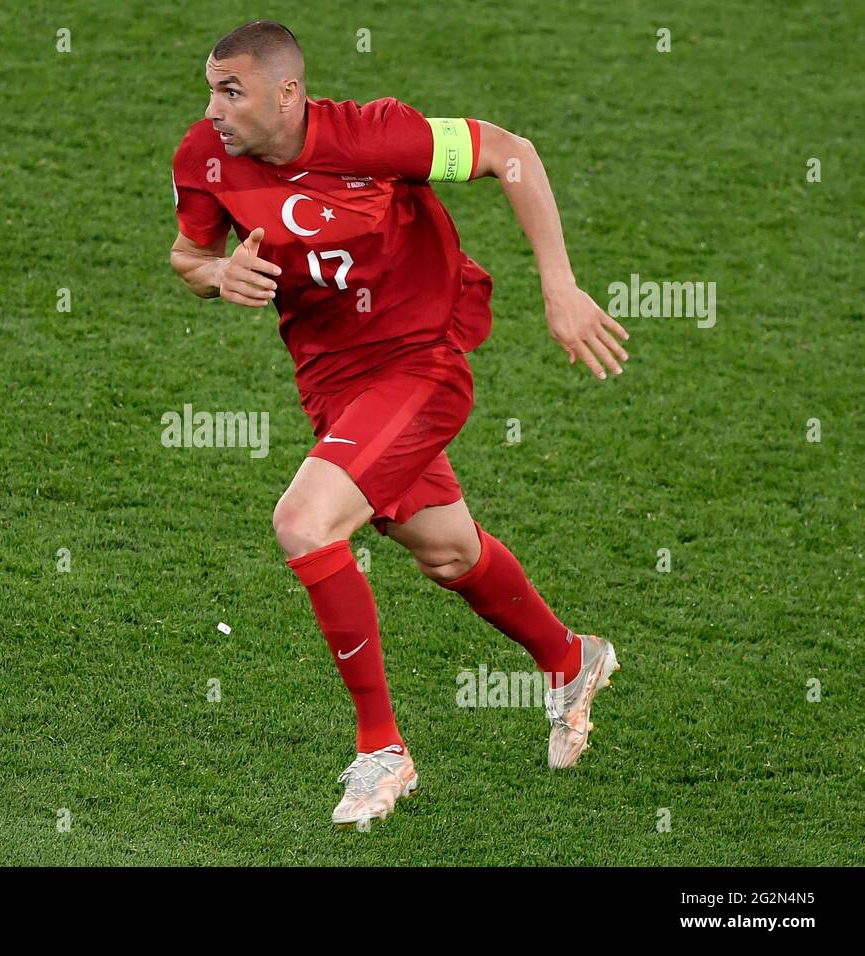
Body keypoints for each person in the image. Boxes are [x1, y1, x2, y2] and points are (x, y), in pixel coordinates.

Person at [169, 20, 628, 826]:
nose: (213, 107)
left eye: (230, 90)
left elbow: (510, 151)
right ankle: (569, 657)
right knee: (449, 553)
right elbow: (187, 258)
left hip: (422, 361)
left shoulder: (376, 136)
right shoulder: (203, 160)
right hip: (332, 383)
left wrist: (559, 286)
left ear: (287, 93)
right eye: (211, 87)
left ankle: (383, 750)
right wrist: (219, 272)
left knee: (306, 524)